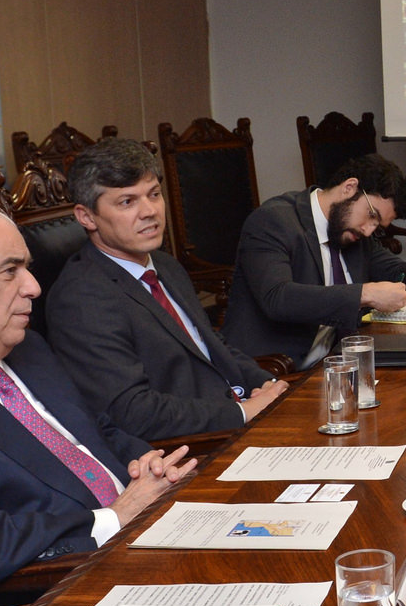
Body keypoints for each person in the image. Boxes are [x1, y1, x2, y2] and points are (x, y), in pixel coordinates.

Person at [0, 203, 198, 588]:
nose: (33, 286)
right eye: (10, 271)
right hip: (73, 579)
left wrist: (147, 464)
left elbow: (97, 432)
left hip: (154, 526)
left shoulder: (27, 345)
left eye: (27, 268)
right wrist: (115, 519)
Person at [45, 138, 286, 441]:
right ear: (86, 216)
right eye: (127, 202)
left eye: (154, 194)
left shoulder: (164, 264)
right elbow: (132, 412)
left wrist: (269, 386)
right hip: (194, 444)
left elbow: (211, 346)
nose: (150, 211)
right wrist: (242, 413)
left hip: (237, 415)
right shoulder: (80, 299)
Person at [222, 153, 406, 363]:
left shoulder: (351, 232)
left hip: (333, 364)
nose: (368, 231)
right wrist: (366, 294)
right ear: (349, 187)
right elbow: (278, 298)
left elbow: (394, 268)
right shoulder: (273, 221)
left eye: (377, 226)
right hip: (271, 371)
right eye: (371, 215)